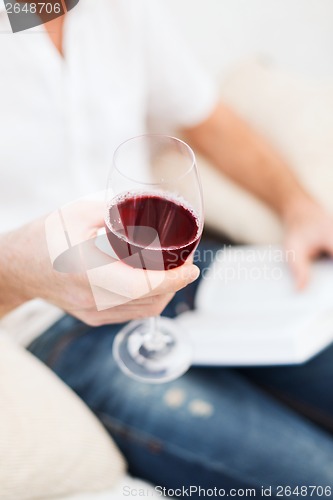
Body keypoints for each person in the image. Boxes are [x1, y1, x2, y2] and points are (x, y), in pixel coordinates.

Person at [1, 0, 333, 495]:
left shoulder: (119, 10)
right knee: (315, 479)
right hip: (51, 317)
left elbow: (204, 118)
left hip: (180, 260)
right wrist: (20, 274)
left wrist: (298, 204)